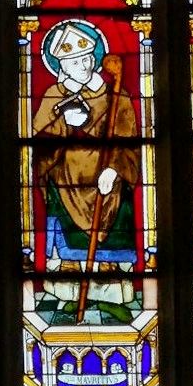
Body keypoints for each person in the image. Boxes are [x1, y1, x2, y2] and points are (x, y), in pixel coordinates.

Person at [32, 19, 140, 323]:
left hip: (108, 183)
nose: (83, 64)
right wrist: (66, 122)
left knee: (112, 247)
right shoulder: (55, 96)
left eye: (87, 58)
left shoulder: (115, 94)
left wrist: (116, 169)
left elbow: (129, 138)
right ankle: (72, 296)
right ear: (61, 66)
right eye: (74, 61)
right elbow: (39, 144)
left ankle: (111, 298)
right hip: (66, 183)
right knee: (69, 250)